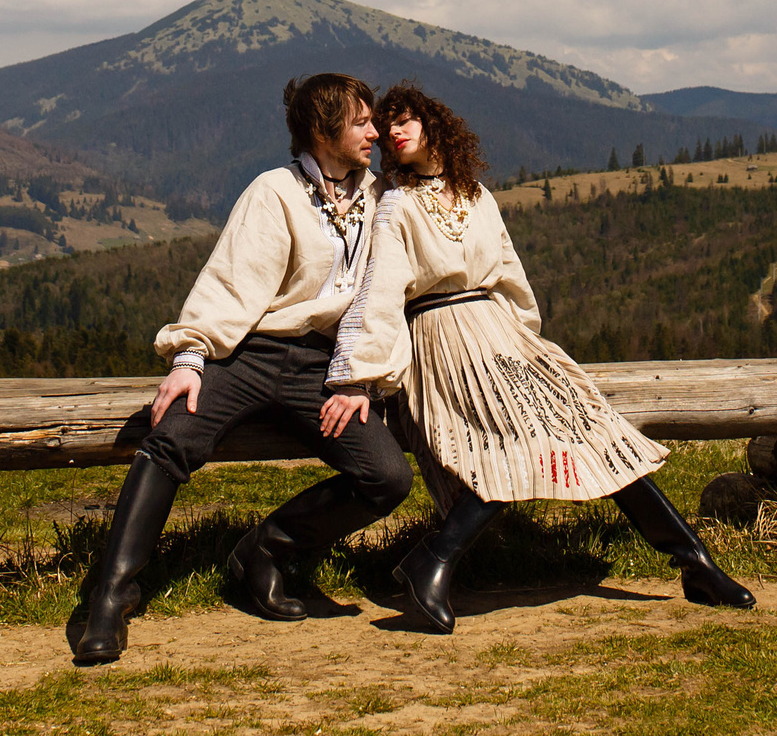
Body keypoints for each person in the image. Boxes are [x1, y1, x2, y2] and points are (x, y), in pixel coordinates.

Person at [318, 81, 754, 633]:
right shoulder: (395, 203)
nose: (395, 133)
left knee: (597, 432)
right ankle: (434, 560)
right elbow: (381, 290)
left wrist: (529, 343)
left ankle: (695, 564)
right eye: (388, 126)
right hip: (444, 336)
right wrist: (359, 376)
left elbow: (510, 276)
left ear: (433, 124)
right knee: (508, 448)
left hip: (501, 336)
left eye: (405, 120)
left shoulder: (476, 195)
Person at [72, 72, 416, 665]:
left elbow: (385, 295)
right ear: (320, 130)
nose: (374, 130)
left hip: (325, 366)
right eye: (360, 121)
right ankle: (110, 596)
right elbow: (232, 281)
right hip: (250, 354)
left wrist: (362, 374)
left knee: (387, 476)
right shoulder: (274, 191)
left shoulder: (384, 197)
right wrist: (191, 357)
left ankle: (264, 551)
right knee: (172, 436)